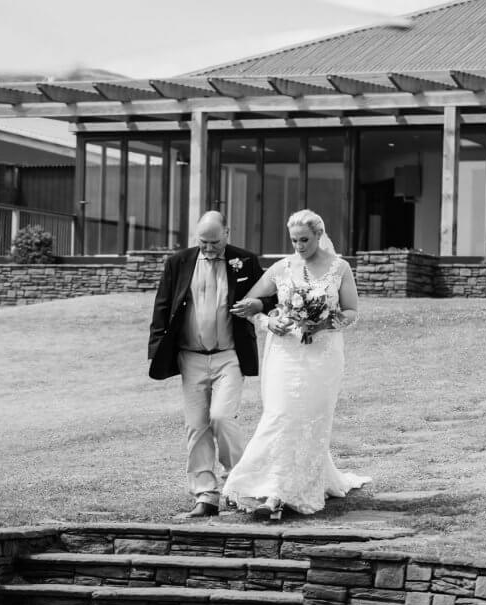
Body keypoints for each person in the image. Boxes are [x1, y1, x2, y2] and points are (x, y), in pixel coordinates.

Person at [223, 209, 370, 521]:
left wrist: (327, 322)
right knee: (280, 415)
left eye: (305, 239)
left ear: (319, 235)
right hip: (285, 353)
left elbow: (352, 310)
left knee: (310, 420)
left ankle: (291, 488)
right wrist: (267, 321)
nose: (300, 245)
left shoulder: (339, 268)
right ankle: (269, 488)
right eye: (294, 240)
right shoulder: (282, 267)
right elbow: (251, 305)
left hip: (323, 355)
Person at [147, 211, 271, 518]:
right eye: (203, 241)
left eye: (215, 242)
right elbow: (163, 306)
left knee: (221, 418)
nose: (209, 248)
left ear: (227, 233)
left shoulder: (246, 261)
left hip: (229, 355)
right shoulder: (178, 262)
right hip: (190, 356)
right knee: (197, 426)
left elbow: (272, 296)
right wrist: (157, 350)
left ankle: (242, 483)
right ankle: (206, 494)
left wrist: (257, 305)